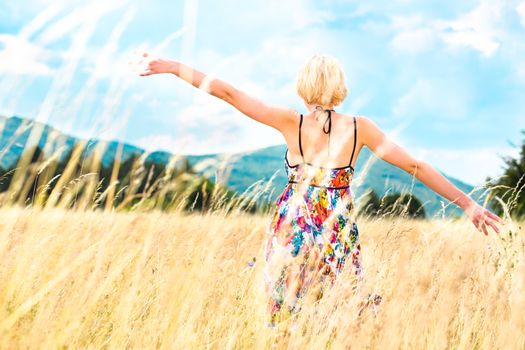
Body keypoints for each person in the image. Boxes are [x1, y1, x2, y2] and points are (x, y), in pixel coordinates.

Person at [136, 51, 503, 327]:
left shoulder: (289, 122)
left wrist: (172, 66)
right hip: (337, 228)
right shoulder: (361, 127)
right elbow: (415, 166)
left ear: (303, 87)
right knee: (342, 310)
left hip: (292, 225)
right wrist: (468, 204)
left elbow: (228, 93)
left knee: (286, 314)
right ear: (339, 88)